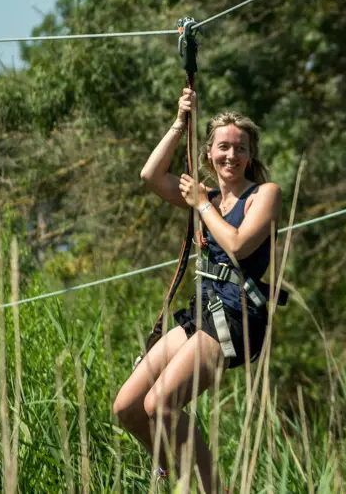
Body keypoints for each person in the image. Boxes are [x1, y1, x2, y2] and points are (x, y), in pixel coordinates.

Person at [113, 87, 281, 493]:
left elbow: (239, 245)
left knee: (161, 404)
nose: (231, 155)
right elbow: (150, 176)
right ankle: (176, 473)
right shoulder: (205, 196)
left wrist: (201, 205)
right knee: (128, 407)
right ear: (208, 154)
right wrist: (178, 123)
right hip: (202, 312)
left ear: (250, 156)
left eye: (240, 149)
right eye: (223, 147)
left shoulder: (264, 195)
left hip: (236, 317)